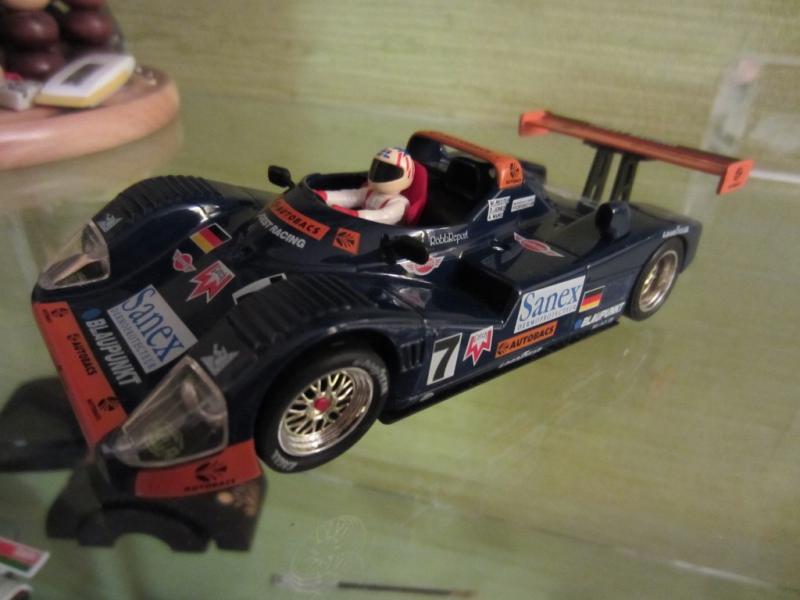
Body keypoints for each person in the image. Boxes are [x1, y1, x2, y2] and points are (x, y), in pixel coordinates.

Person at [320, 147, 414, 225]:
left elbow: (384, 216)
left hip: (383, 236)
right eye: (378, 168)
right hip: (363, 227)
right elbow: (350, 196)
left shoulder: (399, 203)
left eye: (389, 172)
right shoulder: (369, 192)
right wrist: (323, 196)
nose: (380, 174)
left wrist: (354, 214)